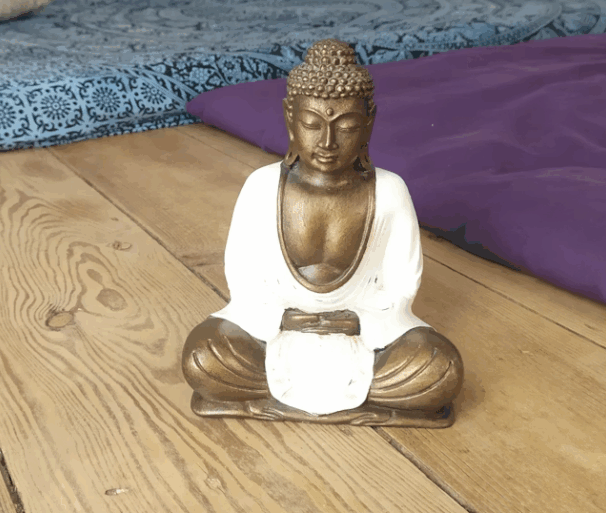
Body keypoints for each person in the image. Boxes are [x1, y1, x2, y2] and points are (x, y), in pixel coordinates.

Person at [182, 39, 463, 425]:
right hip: (273, 326)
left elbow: (401, 285)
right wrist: (283, 319)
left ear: (369, 122)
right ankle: (362, 401)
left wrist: (358, 321)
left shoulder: (389, 190)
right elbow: (243, 279)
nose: (327, 143)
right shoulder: (262, 187)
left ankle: (263, 398)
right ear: (289, 118)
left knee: (439, 369)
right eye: (312, 124)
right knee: (203, 357)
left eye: (345, 126)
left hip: (366, 328)